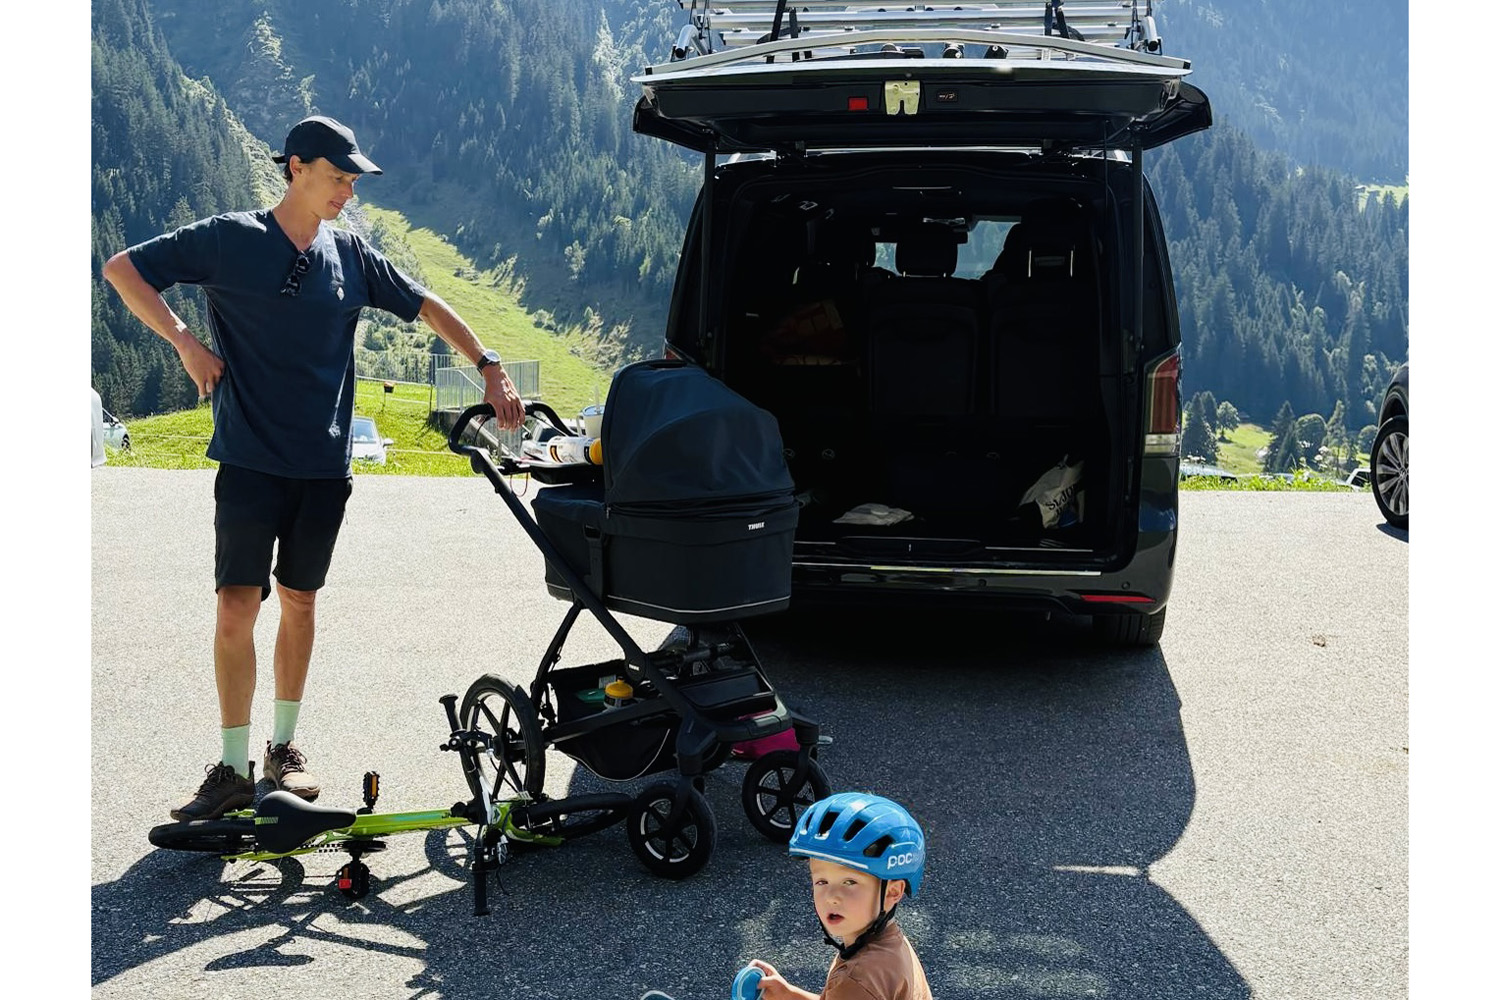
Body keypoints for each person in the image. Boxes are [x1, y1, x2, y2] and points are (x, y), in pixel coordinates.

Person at [102, 114, 525, 821]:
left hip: (324, 467)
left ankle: (283, 751)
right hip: (248, 458)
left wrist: (489, 366)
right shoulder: (229, 238)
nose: (348, 190)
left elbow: (427, 305)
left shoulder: (352, 256)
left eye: (354, 179)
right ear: (295, 167)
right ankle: (234, 767)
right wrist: (183, 342)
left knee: (300, 601)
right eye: (338, 176)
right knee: (238, 607)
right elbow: (122, 269)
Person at [749, 792, 933, 1000]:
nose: (831, 897)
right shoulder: (888, 945)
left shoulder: (858, 979)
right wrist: (788, 995)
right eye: (822, 882)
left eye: (850, 882)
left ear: (892, 892)